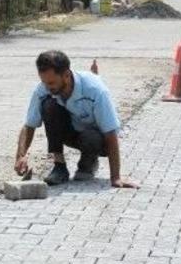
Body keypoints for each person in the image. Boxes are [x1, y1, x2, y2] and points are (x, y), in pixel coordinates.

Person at [14, 51, 139, 189]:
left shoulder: (95, 90)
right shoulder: (44, 89)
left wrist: (116, 177)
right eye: (44, 82)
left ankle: (88, 163)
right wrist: (21, 156)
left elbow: (110, 133)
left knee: (90, 136)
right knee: (49, 106)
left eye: (51, 82)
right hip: (72, 134)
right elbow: (29, 125)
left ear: (66, 75)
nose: (47, 87)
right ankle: (59, 167)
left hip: (99, 140)